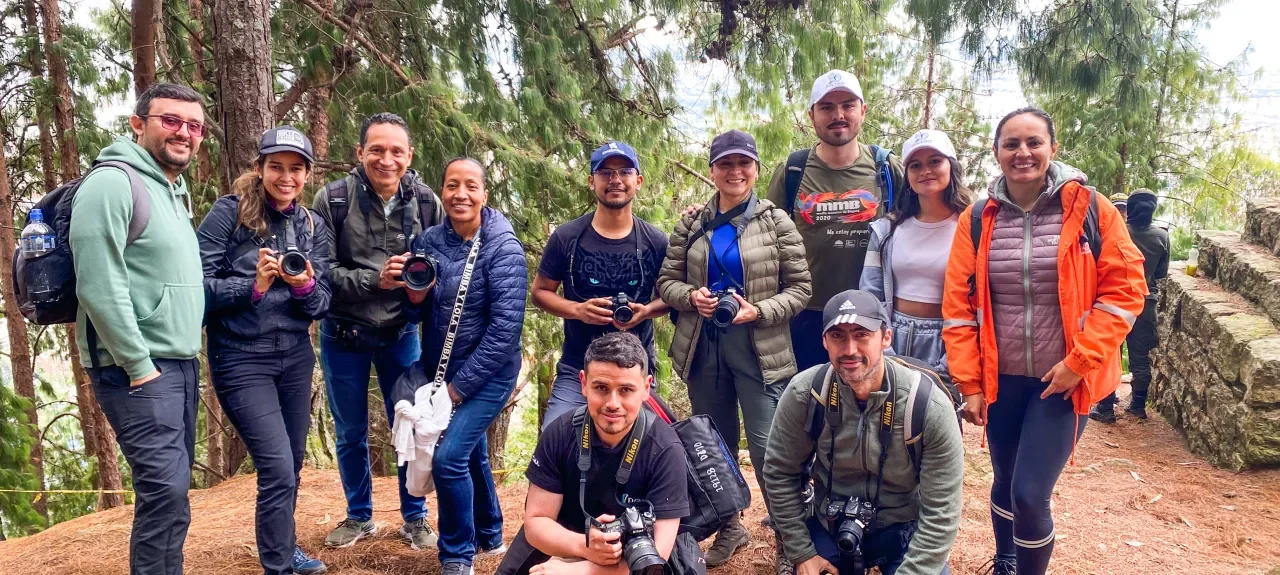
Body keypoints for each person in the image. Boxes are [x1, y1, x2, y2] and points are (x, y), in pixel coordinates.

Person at [942, 107, 1147, 575]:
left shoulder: (1090, 208)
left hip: (1066, 379)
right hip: (1003, 377)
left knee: (1030, 493)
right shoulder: (977, 219)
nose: (1023, 153)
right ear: (996, 153)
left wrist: (1080, 361)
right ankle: (1006, 560)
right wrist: (970, 384)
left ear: (1052, 149)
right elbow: (957, 306)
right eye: (1011, 144)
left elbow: (1126, 291)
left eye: (1033, 142)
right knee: (1003, 483)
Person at [70, 82, 207, 575]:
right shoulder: (111, 182)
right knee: (164, 489)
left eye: (194, 126)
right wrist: (139, 365)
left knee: (172, 493)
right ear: (138, 123)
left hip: (178, 363)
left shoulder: (171, 189)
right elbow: (98, 285)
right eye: (171, 120)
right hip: (137, 369)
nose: (184, 133)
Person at [657, 129, 812, 565]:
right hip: (704, 350)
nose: (735, 171)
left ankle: (789, 541)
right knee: (713, 447)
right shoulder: (692, 223)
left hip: (761, 352)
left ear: (756, 169)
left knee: (769, 450)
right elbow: (666, 282)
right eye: (726, 163)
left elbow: (800, 289)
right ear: (713, 171)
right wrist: (692, 297)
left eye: (744, 163)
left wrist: (757, 311)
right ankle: (731, 527)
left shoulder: (776, 221)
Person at [197, 127, 331, 575]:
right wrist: (250, 287)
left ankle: (283, 547)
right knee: (275, 464)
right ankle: (278, 566)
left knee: (291, 462)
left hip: (294, 355)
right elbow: (195, 288)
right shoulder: (228, 214)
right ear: (260, 168)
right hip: (240, 356)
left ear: (307, 174)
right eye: (276, 166)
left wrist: (305, 285)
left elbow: (323, 302)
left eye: (296, 169)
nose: (285, 177)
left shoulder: (310, 224)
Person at [312, 112, 445, 550]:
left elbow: (444, 264)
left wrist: (419, 284)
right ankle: (358, 516)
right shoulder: (332, 199)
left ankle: (416, 517)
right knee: (350, 430)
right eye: (377, 150)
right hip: (343, 332)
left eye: (395, 151)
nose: (386, 160)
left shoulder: (426, 202)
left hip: (402, 332)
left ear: (409, 156)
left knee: (410, 424)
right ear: (360, 153)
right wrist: (377, 281)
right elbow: (320, 273)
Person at [762, 289, 963, 575]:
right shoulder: (805, 393)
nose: (850, 349)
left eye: (861, 334)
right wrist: (801, 552)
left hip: (902, 529)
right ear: (824, 342)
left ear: (886, 338)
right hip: (831, 525)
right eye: (838, 336)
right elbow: (779, 472)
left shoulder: (927, 405)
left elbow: (941, 512)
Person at [406, 156, 528, 575]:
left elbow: (504, 333)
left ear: (484, 194)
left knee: (448, 456)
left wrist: (455, 391)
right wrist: (414, 296)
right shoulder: (428, 242)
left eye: (471, 186)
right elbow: (415, 315)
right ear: (442, 191)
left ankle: (457, 554)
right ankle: (490, 534)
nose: (461, 194)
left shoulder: (503, 246)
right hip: (443, 369)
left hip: (491, 372)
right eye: (453, 185)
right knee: (470, 449)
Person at [494, 332, 689, 575]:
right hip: (567, 536)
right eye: (601, 388)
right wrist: (586, 546)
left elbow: (659, 552)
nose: (613, 403)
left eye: (626, 390)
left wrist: (580, 571)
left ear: (646, 387)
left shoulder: (665, 448)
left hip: (631, 558)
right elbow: (536, 523)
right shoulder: (560, 433)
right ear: (584, 384)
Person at [767, 69, 905, 373]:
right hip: (806, 315)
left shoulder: (886, 168)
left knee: (871, 405)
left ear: (863, 110)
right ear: (812, 115)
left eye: (848, 105)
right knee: (810, 406)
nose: (838, 115)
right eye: (827, 107)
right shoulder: (792, 171)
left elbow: (928, 215)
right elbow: (763, 236)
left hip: (872, 314)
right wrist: (706, 214)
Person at [533, 142, 670, 426]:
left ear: (638, 181)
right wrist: (577, 310)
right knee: (554, 440)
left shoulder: (656, 241)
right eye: (605, 173)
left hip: (635, 369)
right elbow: (540, 292)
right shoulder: (567, 238)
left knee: (648, 450)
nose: (615, 180)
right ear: (591, 181)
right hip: (578, 367)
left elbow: (672, 295)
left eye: (625, 171)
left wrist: (645, 311)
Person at [859, 129, 971, 377]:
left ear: (951, 166)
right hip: (893, 337)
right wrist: (882, 349)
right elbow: (870, 293)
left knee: (939, 413)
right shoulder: (887, 229)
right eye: (915, 165)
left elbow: (983, 298)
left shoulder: (973, 227)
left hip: (949, 339)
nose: (925, 171)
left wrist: (953, 359)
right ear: (907, 174)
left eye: (935, 161)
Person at [1091, 188, 1169, 423]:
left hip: (1114, 303)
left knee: (1109, 353)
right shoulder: (1162, 236)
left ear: (1131, 208)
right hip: (1145, 304)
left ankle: (1105, 408)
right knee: (1140, 357)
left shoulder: (1116, 232)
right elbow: (1161, 273)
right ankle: (1137, 406)